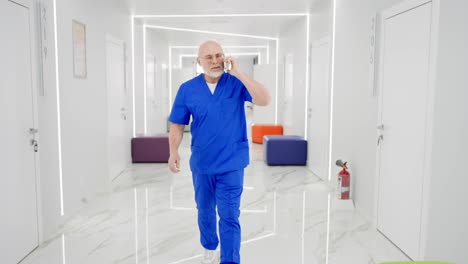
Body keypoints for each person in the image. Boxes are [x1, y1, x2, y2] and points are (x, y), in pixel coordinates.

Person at [168, 40, 271, 264]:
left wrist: (240, 73)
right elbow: (177, 123)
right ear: (198, 61)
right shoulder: (187, 89)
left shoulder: (235, 83)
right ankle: (209, 246)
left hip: (231, 163)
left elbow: (265, 99)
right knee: (204, 210)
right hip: (203, 164)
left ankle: (230, 260)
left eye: (219, 55)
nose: (215, 61)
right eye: (209, 57)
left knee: (229, 216)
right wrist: (173, 151)